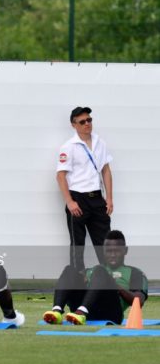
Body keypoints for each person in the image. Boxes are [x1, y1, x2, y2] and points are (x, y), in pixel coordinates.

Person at [43, 230, 148, 325]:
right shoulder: (92, 270)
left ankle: (81, 312)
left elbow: (139, 301)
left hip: (111, 312)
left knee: (100, 271)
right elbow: (72, 281)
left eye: (116, 251)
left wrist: (114, 286)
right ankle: (56, 311)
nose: (112, 255)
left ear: (125, 250)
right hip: (88, 308)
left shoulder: (135, 273)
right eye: (109, 251)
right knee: (70, 270)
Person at [57, 106, 113, 271]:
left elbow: (106, 170)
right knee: (78, 245)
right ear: (74, 125)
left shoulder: (99, 142)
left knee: (104, 242)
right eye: (82, 122)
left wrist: (109, 198)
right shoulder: (69, 146)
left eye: (89, 120)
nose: (87, 124)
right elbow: (60, 176)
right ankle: (77, 284)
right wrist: (70, 202)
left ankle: (110, 282)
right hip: (78, 198)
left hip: (97, 197)